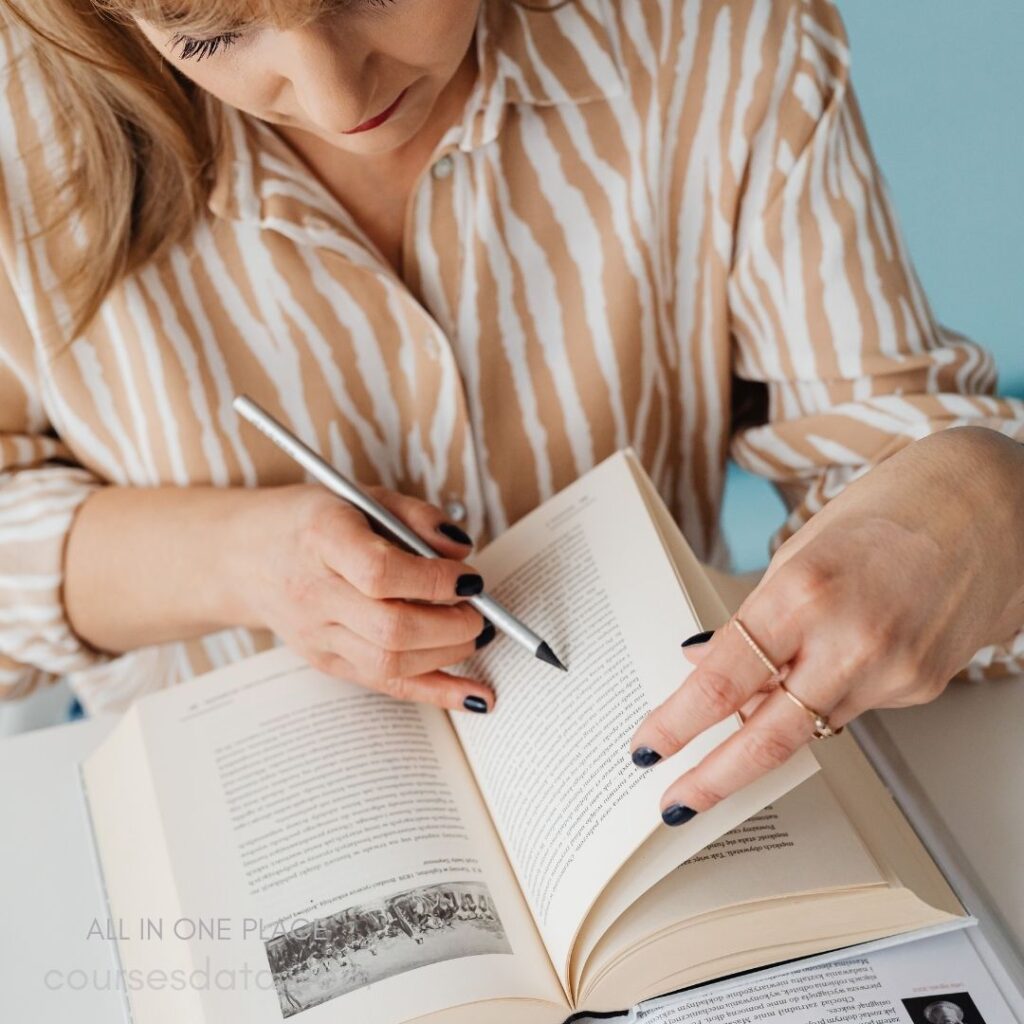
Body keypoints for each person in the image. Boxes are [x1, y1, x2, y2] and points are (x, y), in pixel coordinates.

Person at [1, 0, 1022, 825]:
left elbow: (889, 469)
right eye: (210, 31)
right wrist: (244, 561)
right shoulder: (17, 124)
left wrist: (984, 499)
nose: (332, 92)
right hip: (233, 854)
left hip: (659, 815)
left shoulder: (716, 35)